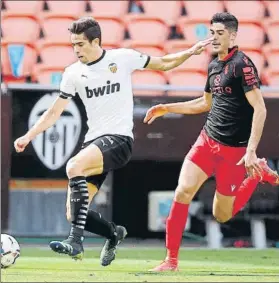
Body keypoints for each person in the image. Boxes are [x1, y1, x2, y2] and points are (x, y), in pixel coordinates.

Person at [13, 17, 213, 266]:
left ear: (95, 41)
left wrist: (190, 52)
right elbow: (54, 112)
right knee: (73, 213)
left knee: (73, 166)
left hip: (119, 139)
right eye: (73, 45)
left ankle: (75, 243)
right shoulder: (73, 73)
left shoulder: (122, 58)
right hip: (93, 143)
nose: (76, 50)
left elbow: (163, 64)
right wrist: (28, 136)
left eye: (80, 44)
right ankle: (113, 233)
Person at [144, 12, 279, 272]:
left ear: (232, 35)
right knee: (183, 191)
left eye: (219, 33)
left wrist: (250, 151)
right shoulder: (213, 64)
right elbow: (204, 103)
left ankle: (256, 173)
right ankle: (171, 261)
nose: (214, 38)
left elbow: (260, 109)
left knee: (222, 215)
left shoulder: (243, 65)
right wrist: (166, 107)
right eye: (212, 33)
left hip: (234, 151)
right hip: (207, 142)